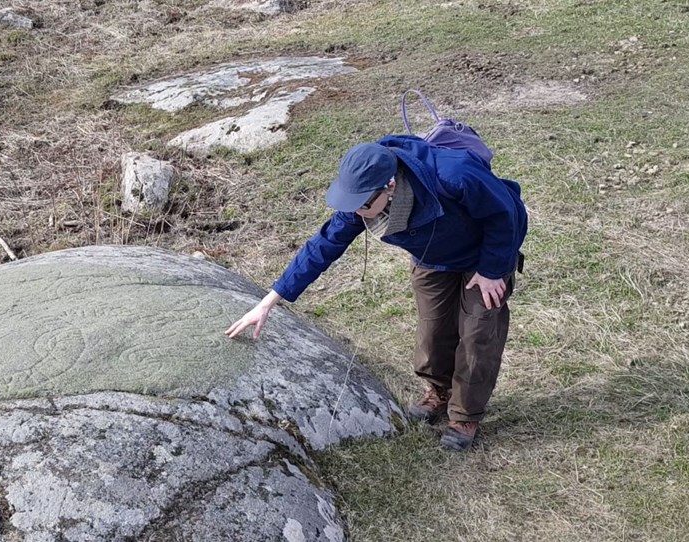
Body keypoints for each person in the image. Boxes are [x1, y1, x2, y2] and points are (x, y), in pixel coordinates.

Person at [225, 135, 528, 451]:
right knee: (433, 331)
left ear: (391, 185)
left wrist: (493, 269)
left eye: (362, 205)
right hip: (432, 257)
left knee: (478, 332)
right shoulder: (361, 199)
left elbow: (508, 213)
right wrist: (268, 302)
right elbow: (323, 246)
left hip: (483, 255)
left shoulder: (454, 174)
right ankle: (441, 392)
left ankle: (465, 415)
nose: (355, 213)